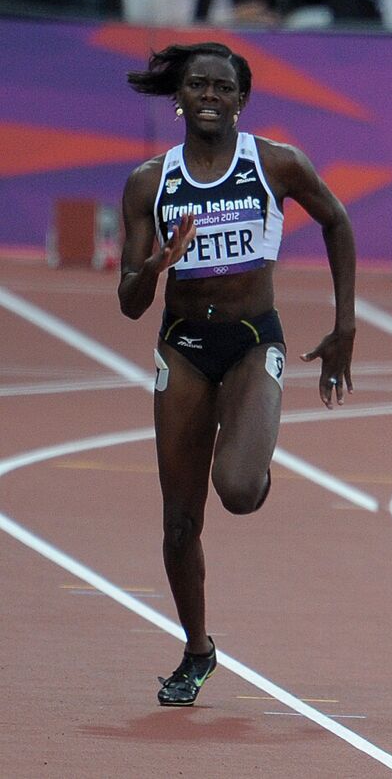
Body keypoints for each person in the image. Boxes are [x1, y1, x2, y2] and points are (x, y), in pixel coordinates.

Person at [118, 42, 356, 706]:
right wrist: (157, 263)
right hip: (184, 346)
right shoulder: (149, 182)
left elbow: (337, 220)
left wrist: (346, 326)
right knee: (177, 523)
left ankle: (253, 447)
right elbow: (130, 302)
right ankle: (197, 649)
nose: (210, 94)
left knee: (241, 490)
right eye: (198, 84)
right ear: (180, 98)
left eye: (223, 86)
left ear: (242, 99)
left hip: (253, 339)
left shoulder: (275, 163)